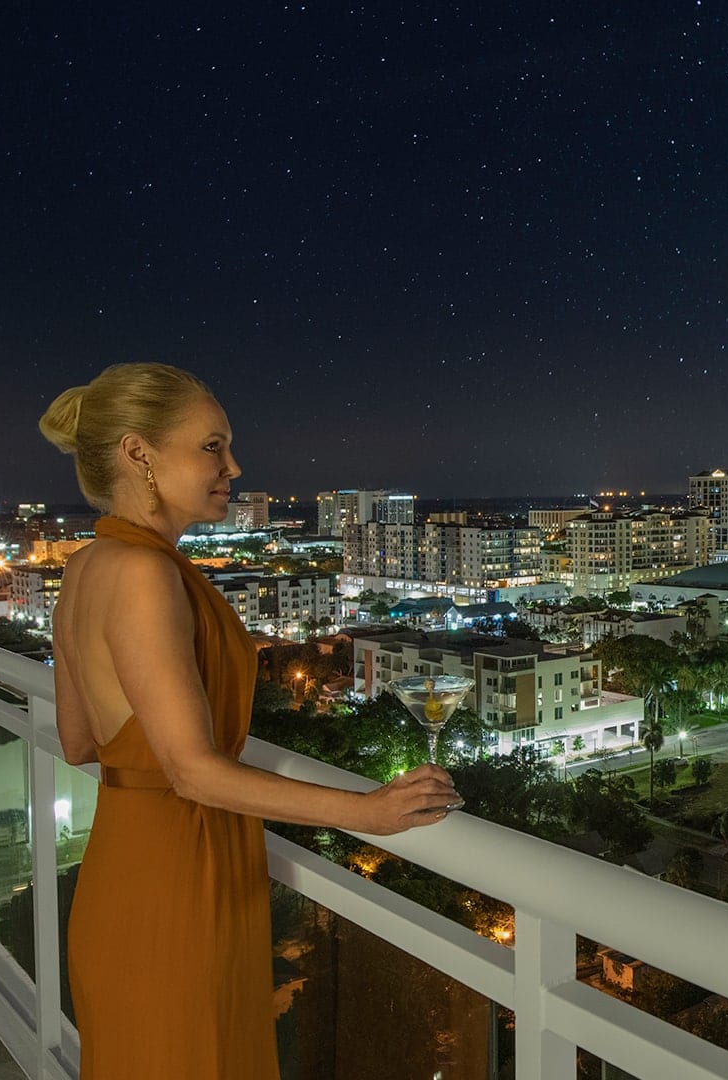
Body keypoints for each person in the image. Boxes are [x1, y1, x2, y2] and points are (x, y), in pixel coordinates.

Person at [38, 362, 460, 1079]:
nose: (234, 465)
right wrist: (368, 811)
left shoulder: (86, 567)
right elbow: (192, 770)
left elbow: (82, 741)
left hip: (123, 871)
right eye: (212, 446)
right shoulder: (145, 575)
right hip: (180, 887)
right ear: (139, 453)